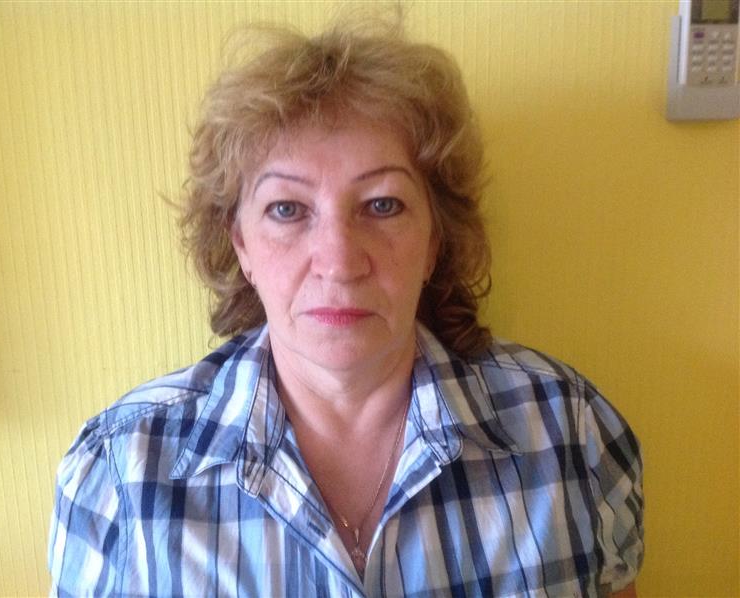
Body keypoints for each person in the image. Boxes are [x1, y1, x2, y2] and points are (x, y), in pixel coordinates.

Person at [48, 18, 643, 598]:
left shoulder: (571, 433)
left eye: (383, 205)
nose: (338, 261)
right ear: (241, 245)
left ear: (435, 240)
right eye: (287, 209)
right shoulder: (120, 472)